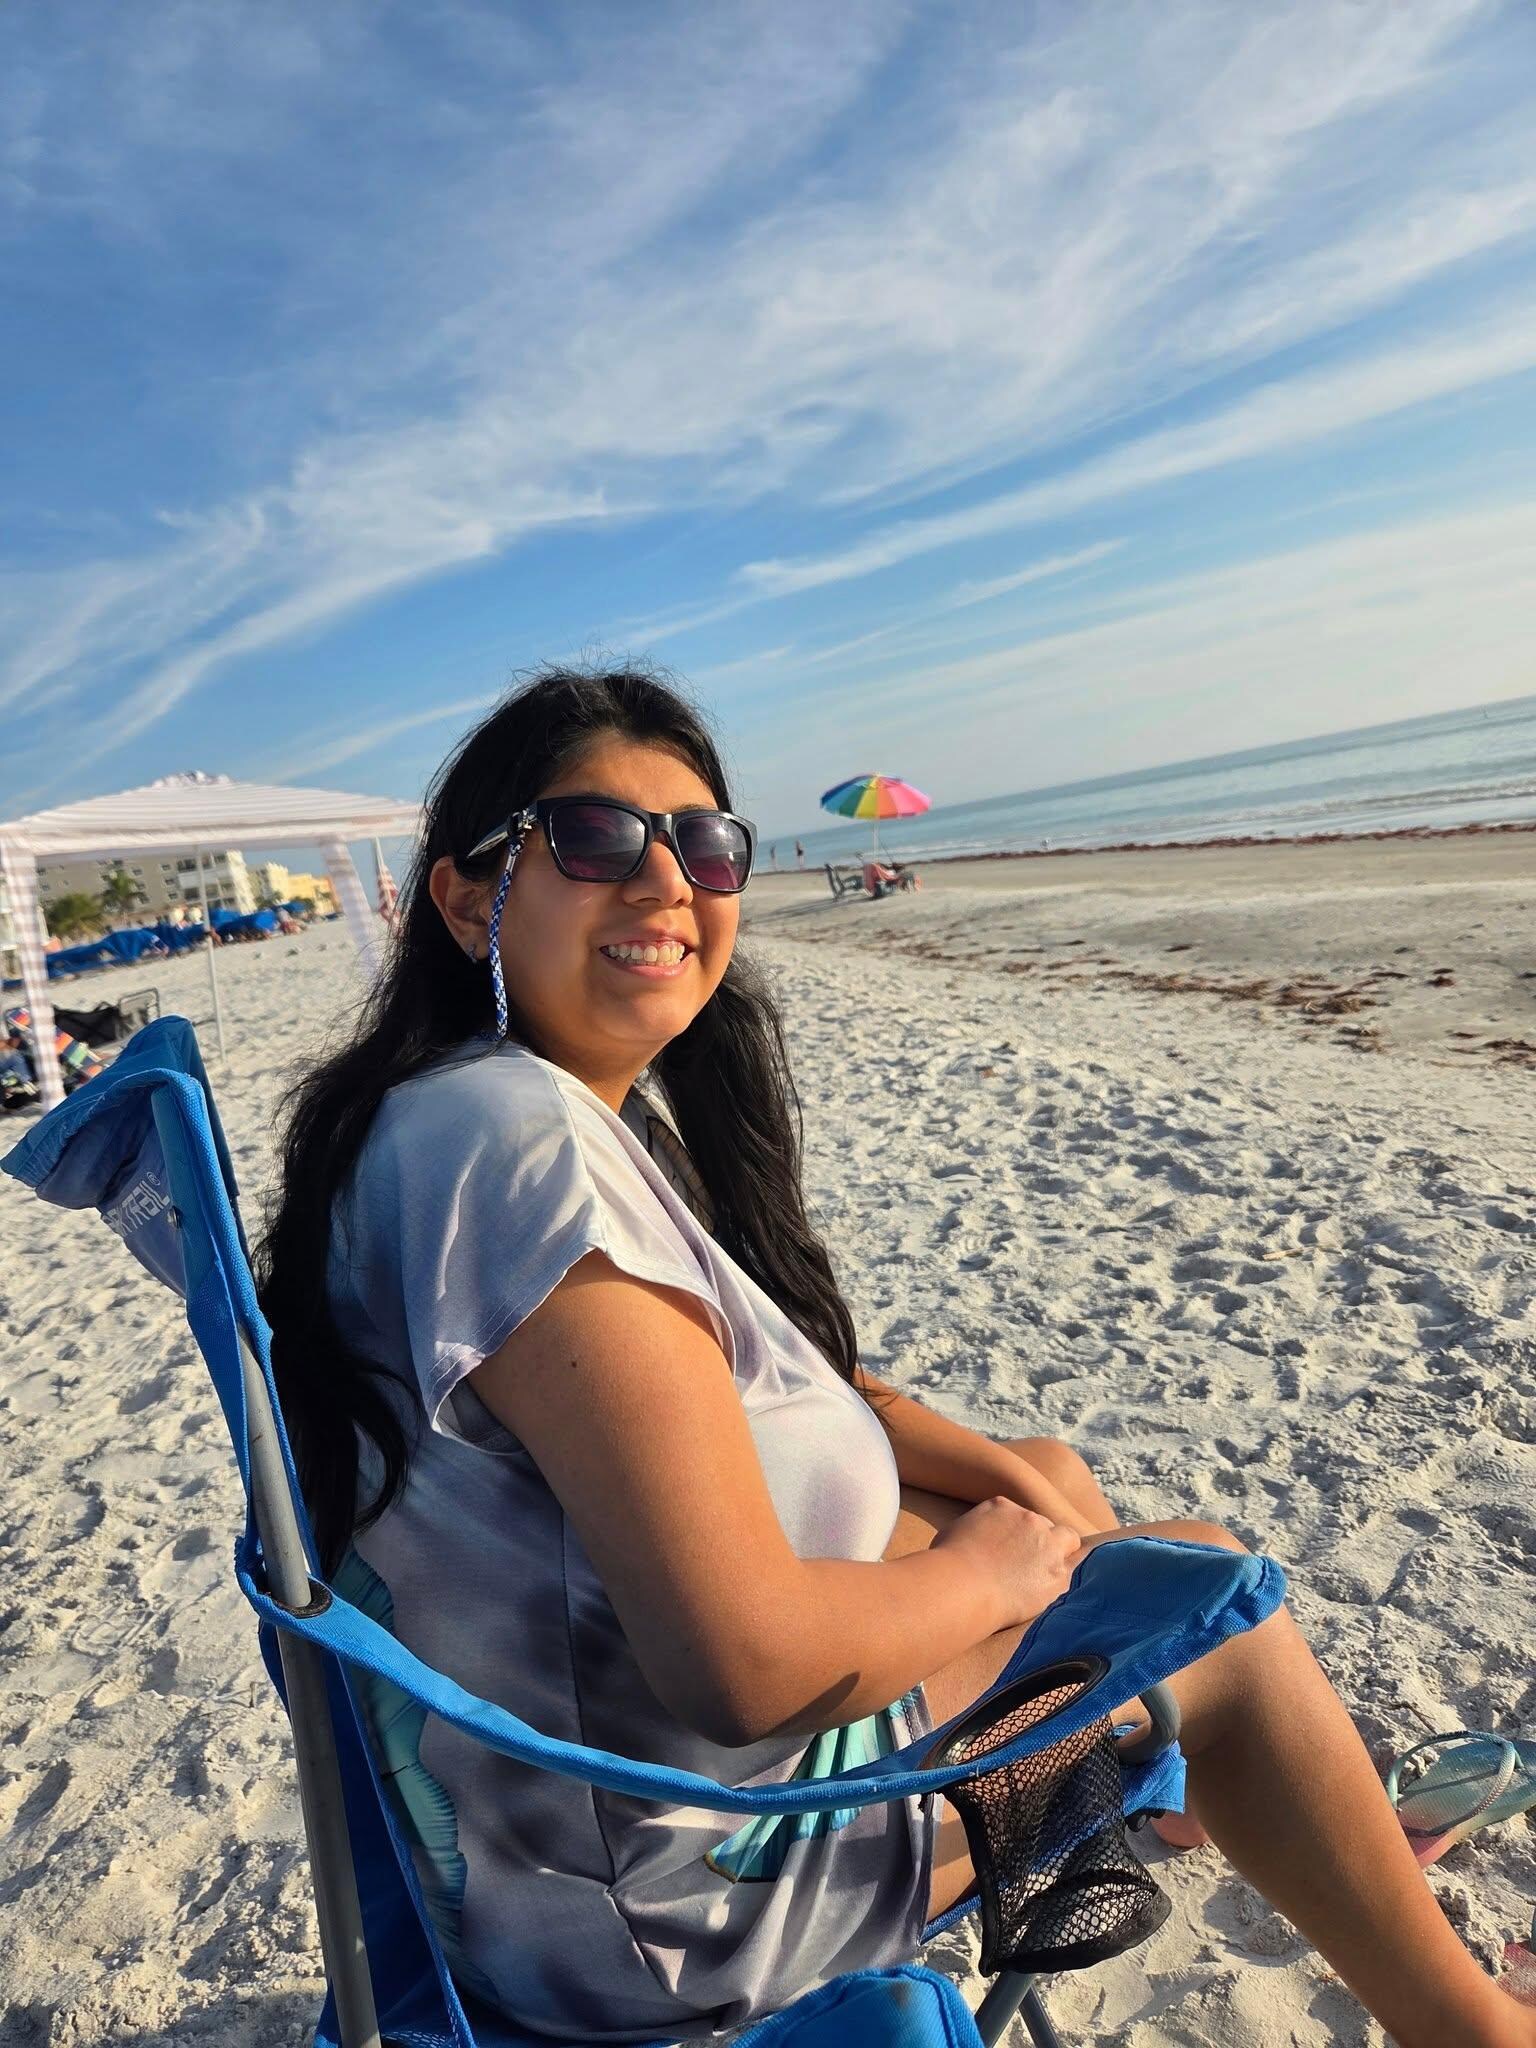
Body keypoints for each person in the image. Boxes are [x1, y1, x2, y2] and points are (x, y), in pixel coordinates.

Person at [257, 666, 1534, 2048]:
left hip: (540, 1840)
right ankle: (1468, 2022)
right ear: (464, 897)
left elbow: (765, 1385)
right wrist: (998, 1568)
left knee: (1045, 1477)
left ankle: (1168, 1790)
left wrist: (1011, 1487)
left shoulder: (464, 1116)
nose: (668, 881)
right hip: (683, 1911)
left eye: (704, 843)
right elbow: (741, 1669)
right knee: (1213, 1597)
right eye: (595, 838)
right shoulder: (524, 1151)